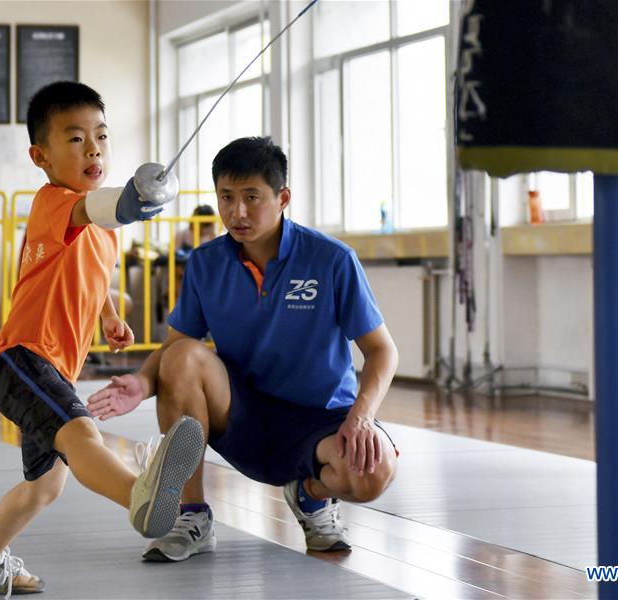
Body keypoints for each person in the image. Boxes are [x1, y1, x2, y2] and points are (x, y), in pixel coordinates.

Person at [88, 136, 400, 563]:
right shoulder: (205, 262)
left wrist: (362, 417)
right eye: (226, 198)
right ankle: (191, 514)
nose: (237, 212)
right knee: (182, 357)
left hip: (321, 420)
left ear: (282, 197)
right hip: (242, 416)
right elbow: (177, 348)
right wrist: (142, 384)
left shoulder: (331, 260)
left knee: (374, 471)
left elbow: (382, 351)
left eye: (252, 197)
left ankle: (310, 495)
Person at [0, 81, 205, 596]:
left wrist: (108, 315)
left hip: (53, 367)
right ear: (40, 156)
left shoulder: (106, 231)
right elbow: (100, 210)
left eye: (102, 136)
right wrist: (134, 198)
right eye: (75, 138)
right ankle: (141, 496)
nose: (93, 148)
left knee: (46, 484)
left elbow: (94, 272)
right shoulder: (55, 203)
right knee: (83, 433)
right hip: (22, 356)